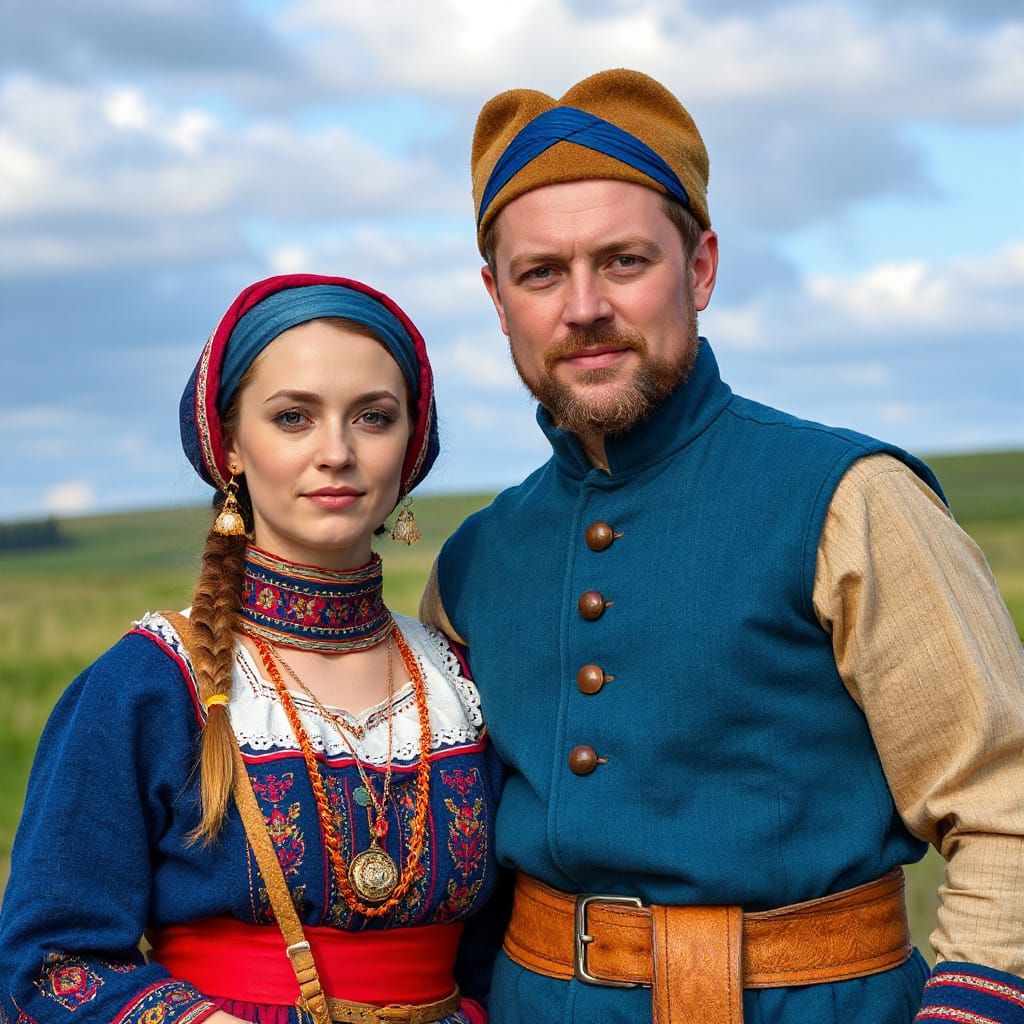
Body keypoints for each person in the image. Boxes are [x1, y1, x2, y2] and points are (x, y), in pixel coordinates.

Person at [421, 69, 1024, 1023]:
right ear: (498, 299)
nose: (583, 307)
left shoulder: (850, 501)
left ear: (700, 268)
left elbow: (1008, 807)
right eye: (541, 273)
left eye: (624, 261)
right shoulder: (473, 562)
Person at [0, 274, 504, 1024]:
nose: (336, 452)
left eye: (373, 416)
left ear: (410, 446)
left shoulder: (460, 682)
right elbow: (50, 962)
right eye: (294, 417)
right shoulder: (148, 685)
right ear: (232, 445)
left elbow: (500, 954)